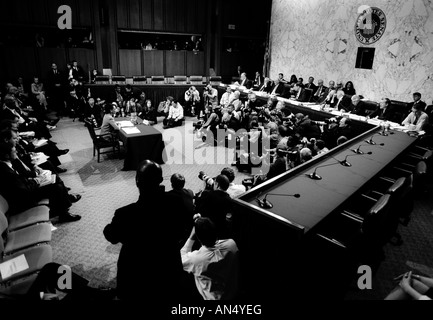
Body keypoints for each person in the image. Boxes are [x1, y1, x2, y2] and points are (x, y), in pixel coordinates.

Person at [103, 160, 185, 300]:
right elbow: (182, 231)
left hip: (136, 275)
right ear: (160, 180)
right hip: (168, 269)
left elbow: (111, 236)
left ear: (137, 182)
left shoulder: (125, 214)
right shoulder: (177, 203)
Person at [0, 143, 81, 222]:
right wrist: (37, 180)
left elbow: (20, 180)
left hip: (25, 190)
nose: (16, 152)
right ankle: (63, 214)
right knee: (56, 187)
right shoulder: (5, 171)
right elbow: (22, 189)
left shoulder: (7, 163)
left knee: (54, 181)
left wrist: (36, 180)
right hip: (22, 200)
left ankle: (62, 209)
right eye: (14, 152)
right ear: (7, 155)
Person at [180, 217, 239, 300]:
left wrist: (192, 237)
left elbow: (182, 256)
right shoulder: (232, 244)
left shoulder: (195, 259)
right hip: (232, 293)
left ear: (199, 239)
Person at [195, 174, 233, 239]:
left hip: (205, 227)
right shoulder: (229, 200)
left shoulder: (206, 194)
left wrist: (205, 188)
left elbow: (198, 208)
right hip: (220, 229)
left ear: (217, 185)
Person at [167, 173, 195, 242]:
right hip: (189, 227)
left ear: (172, 184)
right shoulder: (190, 192)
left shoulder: (168, 196)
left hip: (177, 230)